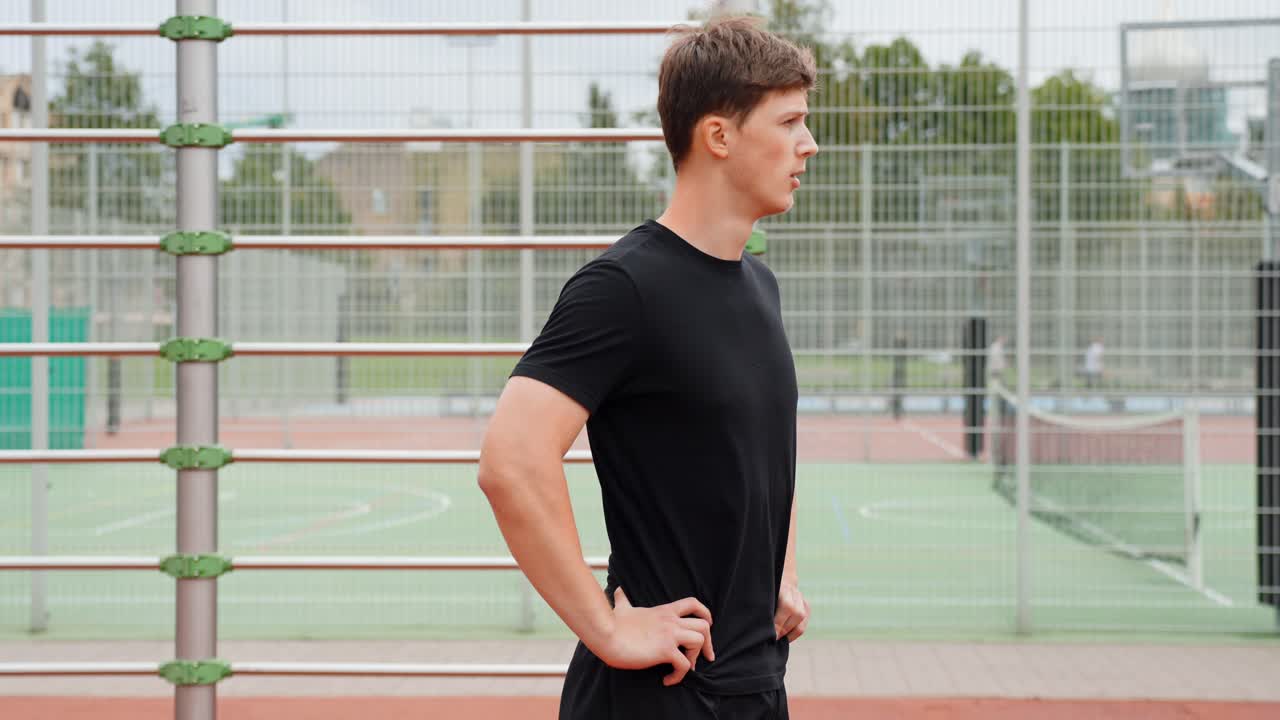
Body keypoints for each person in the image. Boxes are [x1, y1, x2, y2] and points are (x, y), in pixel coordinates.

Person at [478, 15, 818, 720]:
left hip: (756, 683)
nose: (807, 145)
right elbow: (510, 461)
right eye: (788, 123)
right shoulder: (625, 289)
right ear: (719, 135)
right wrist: (605, 629)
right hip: (663, 694)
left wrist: (774, 572)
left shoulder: (759, 285)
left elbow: (756, 450)